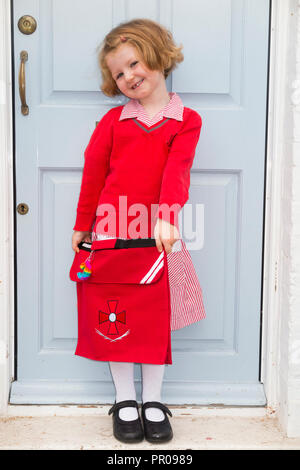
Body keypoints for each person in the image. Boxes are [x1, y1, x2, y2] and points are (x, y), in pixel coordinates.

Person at [71, 18, 206, 444]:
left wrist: (167, 214)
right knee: (116, 316)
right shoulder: (114, 122)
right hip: (111, 235)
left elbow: (177, 170)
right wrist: (81, 225)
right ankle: (124, 399)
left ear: (157, 56)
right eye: (118, 73)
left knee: (150, 320)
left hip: (155, 237)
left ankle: (152, 400)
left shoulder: (186, 120)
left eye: (133, 64)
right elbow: (93, 175)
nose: (129, 76)